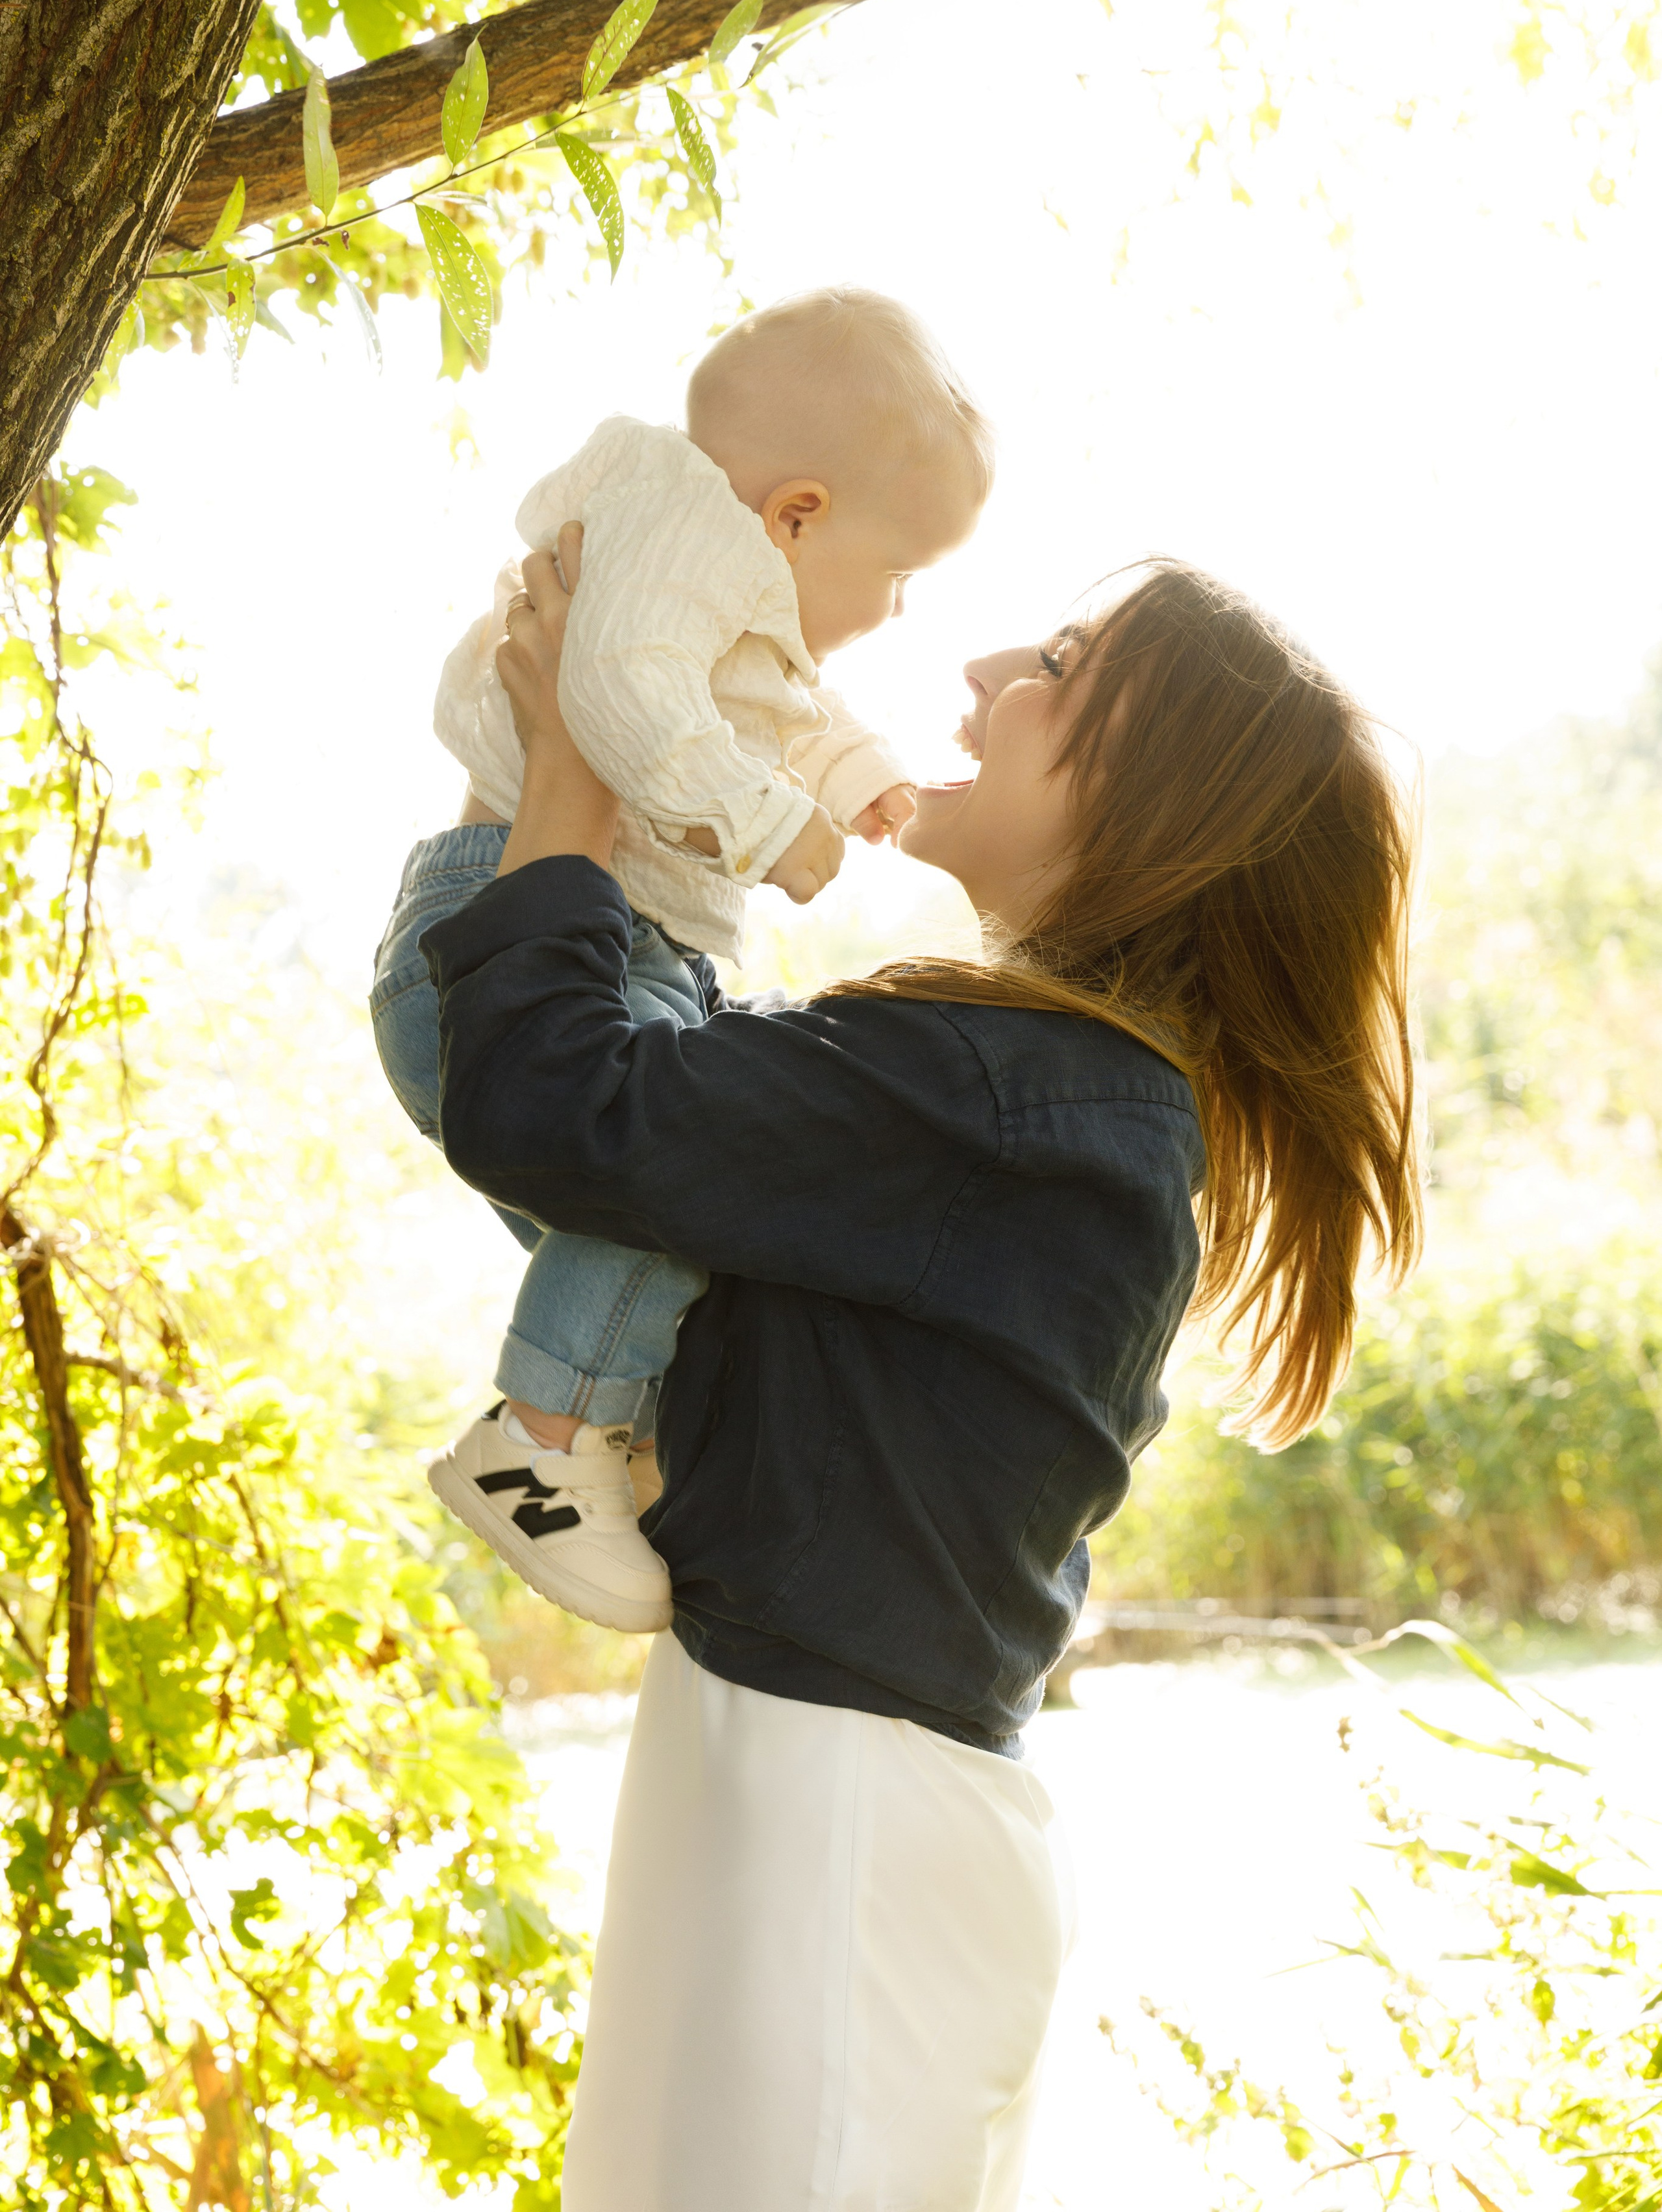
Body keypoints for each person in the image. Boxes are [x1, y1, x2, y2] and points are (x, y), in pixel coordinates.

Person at [418, 539, 1420, 2210]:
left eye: (1060, 671)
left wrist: (578, 780)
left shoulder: (1005, 1096)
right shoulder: (1046, 1104)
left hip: (834, 1822)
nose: (978, 677)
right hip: (808, 1787)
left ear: (1158, 806)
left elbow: (553, 1105)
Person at [370, 288, 993, 1634]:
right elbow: (620, 694)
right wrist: (772, 823)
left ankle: (622, 1414)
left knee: (676, 1234)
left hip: (588, 938)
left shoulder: (714, 574)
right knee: (681, 1196)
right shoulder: (676, 542)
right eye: (902, 577)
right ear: (798, 514)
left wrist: (852, 768)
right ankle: (544, 1443)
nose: (896, 612)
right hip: (531, 921)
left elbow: (758, 701)